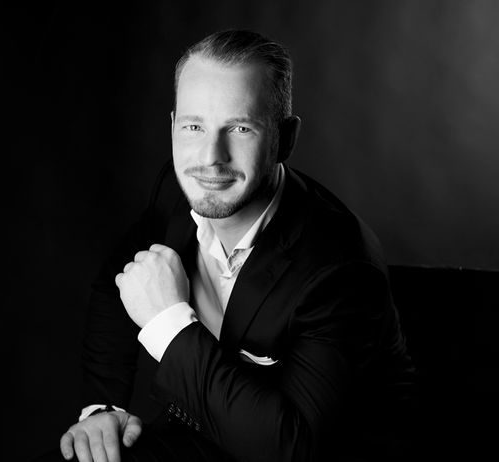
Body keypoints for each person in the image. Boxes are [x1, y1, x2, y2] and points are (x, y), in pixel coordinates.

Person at [53, 30, 416, 462]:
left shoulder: (341, 267)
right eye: (193, 127)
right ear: (173, 127)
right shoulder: (177, 189)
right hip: (199, 434)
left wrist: (167, 323)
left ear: (284, 138)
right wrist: (103, 407)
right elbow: (120, 284)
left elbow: (290, 448)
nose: (210, 158)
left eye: (240, 128)